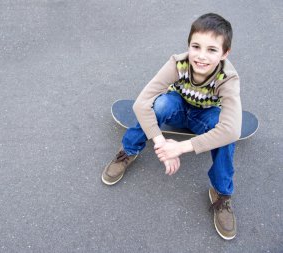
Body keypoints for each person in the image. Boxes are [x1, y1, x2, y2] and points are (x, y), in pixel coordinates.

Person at [101, 13, 241, 240]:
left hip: (205, 118)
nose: (202, 56)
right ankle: (129, 151)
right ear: (189, 45)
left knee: (224, 133)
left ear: (225, 53)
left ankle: (221, 192)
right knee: (162, 103)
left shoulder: (228, 77)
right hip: (176, 110)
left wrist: (180, 148)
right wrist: (161, 142)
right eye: (196, 46)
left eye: (212, 50)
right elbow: (141, 104)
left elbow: (232, 129)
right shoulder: (178, 63)